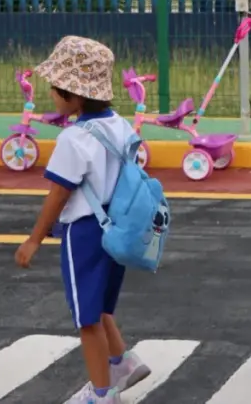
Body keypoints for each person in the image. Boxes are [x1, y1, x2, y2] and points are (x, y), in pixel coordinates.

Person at [15, 36, 151, 404]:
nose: (52, 95)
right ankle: (121, 362)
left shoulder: (74, 139)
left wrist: (34, 239)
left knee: (87, 318)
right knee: (100, 303)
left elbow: (57, 195)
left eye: (55, 89)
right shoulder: (121, 125)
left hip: (86, 233)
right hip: (118, 227)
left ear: (72, 95)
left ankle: (101, 393)